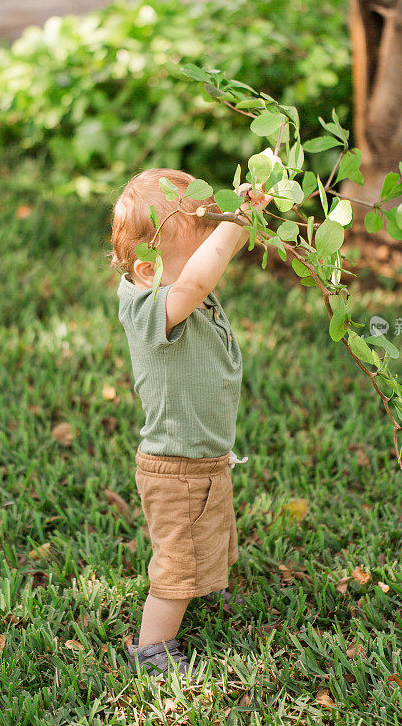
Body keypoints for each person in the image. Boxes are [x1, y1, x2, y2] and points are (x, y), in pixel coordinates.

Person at [108, 168, 272, 680]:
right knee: (175, 564)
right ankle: (153, 647)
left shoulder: (170, 284)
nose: (208, 258)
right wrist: (235, 225)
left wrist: (235, 212)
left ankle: (210, 580)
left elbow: (200, 266)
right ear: (145, 266)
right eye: (196, 246)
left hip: (205, 457)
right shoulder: (151, 307)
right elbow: (203, 272)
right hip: (175, 470)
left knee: (214, 531)